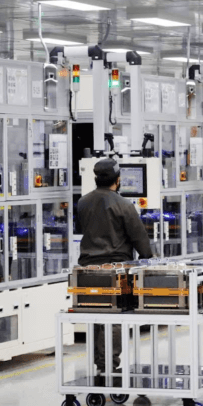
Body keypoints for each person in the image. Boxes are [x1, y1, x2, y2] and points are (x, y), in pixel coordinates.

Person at [75, 158, 154, 373]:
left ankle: (100, 365)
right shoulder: (124, 205)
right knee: (114, 317)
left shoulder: (82, 202)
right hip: (115, 270)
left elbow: (81, 228)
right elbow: (140, 238)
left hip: (87, 271)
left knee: (96, 315)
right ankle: (109, 366)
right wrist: (149, 259)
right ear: (118, 181)